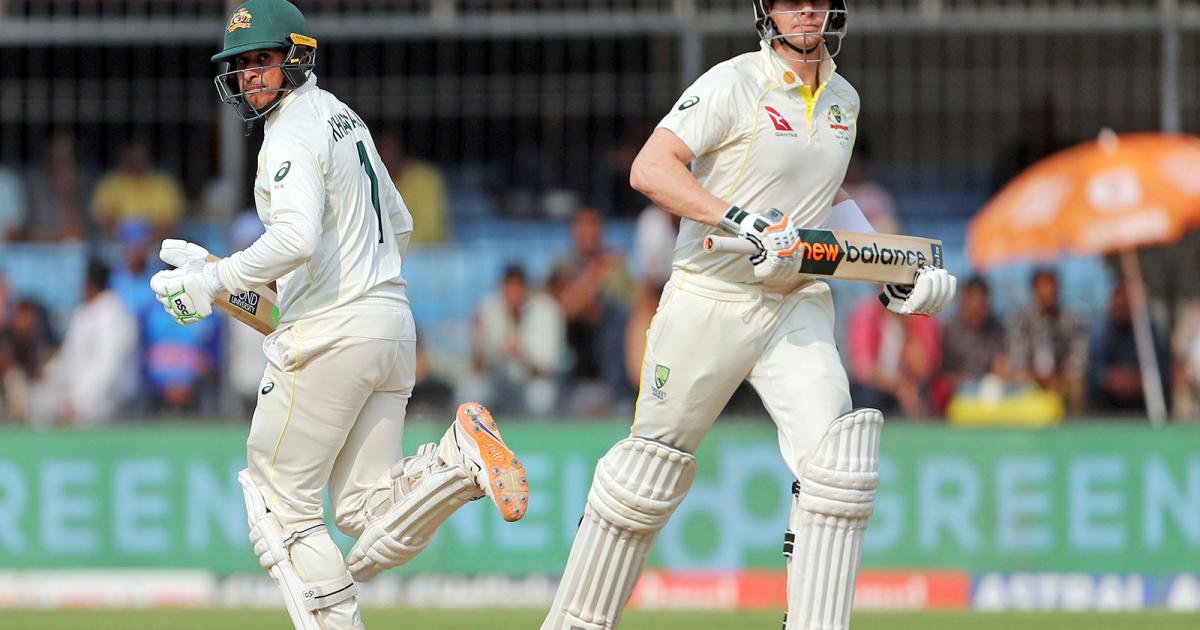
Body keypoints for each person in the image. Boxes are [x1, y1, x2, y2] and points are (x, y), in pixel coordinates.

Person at [541, 3, 956, 629]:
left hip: (795, 300)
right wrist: (743, 220)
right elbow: (650, 169)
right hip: (712, 295)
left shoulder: (844, 100)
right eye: (789, 0)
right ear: (766, 10)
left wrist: (894, 272)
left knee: (838, 465)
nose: (806, 9)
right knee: (644, 478)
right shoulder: (732, 82)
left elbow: (829, 198)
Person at [147, 2, 528, 628]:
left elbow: (295, 239)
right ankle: (456, 462)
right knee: (365, 509)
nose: (249, 76)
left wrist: (217, 278)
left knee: (280, 508)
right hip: (390, 328)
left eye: (263, 60)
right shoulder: (343, 118)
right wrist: (222, 278)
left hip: (333, 336)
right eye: (241, 65)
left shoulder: (289, 133)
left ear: (297, 57)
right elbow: (397, 225)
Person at [38, 259, 138, 425]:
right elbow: (69, 358)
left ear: (89, 283)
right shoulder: (83, 312)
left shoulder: (114, 313)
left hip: (108, 407)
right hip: (77, 404)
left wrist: (82, 403)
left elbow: (108, 366)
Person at [1006, 268, 1088, 414]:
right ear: (1034, 290)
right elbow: (1017, 361)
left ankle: (1075, 424)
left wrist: (1059, 376)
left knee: (1077, 385)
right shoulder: (1021, 320)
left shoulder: (1071, 320)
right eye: (1042, 286)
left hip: (1061, 380)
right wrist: (1036, 378)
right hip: (1030, 379)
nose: (1047, 292)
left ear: (1058, 289)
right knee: (1014, 382)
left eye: (1050, 286)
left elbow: (1078, 359)